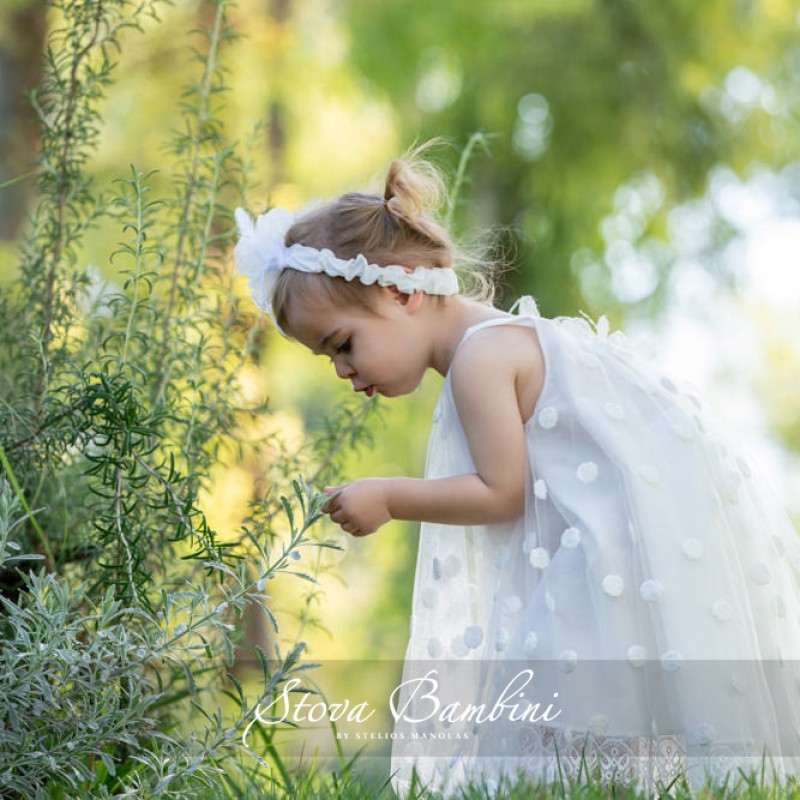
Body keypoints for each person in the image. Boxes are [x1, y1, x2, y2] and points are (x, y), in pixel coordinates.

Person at [234, 146, 800, 796]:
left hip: (598, 568)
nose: (341, 370)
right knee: (610, 744)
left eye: (342, 344)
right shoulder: (499, 340)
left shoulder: (481, 359)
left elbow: (500, 493)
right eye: (326, 358)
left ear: (397, 291)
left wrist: (388, 496)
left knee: (557, 732)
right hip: (611, 556)